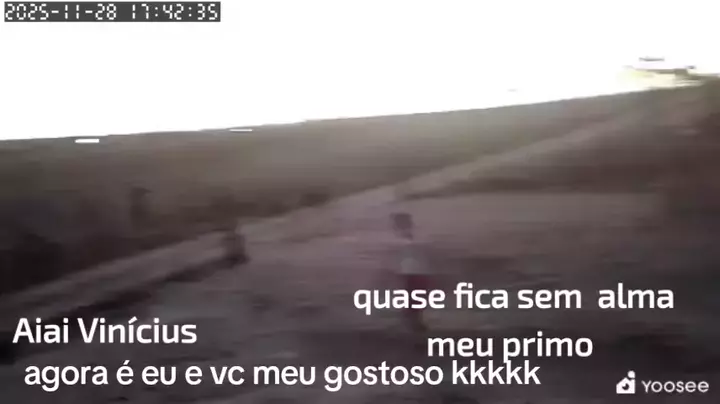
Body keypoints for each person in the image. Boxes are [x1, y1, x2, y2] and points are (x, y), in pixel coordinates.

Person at [390, 212, 432, 333]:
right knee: (414, 299)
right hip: (414, 271)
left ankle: (413, 323)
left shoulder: (407, 236)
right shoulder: (407, 236)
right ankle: (413, 323)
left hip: (413, 271)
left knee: (413, 299)